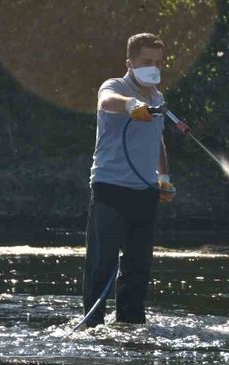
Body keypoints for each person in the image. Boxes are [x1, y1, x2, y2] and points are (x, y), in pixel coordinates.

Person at [82, 33, 175, 326]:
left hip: (145, 192)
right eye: (147, 61)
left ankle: (130, 326)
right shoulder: (115, 86)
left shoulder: (157, 97)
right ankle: (92, 324)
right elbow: (107, 101)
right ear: (130, 63)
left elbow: (157, 139)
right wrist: (129, 105)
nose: (154, 68)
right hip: (110, 188)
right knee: (102, 264)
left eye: (158, 63)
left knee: (138, 268)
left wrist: (164, 177)